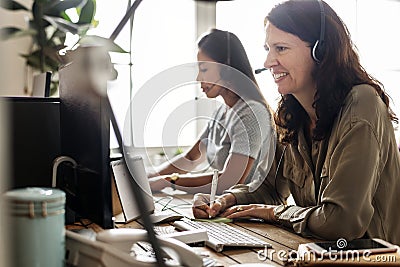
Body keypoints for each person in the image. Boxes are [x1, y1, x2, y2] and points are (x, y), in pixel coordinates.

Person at [193, 0, 400, 245]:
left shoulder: (362, 104)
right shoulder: (291, 115)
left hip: (374, 259)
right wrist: (225, 200)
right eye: (267, 49)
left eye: (281, 48)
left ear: (320, 51)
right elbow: (269, 189)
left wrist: (274, 214)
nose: (268, 61)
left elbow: (342, 221)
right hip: (318, 255)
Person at [149, 29, 276, 194]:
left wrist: (169, 182)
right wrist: (149, 175)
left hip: (251, 213)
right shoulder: (222, 112)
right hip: (223, 207)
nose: (198, 79)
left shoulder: (251, 113)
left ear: (227, 67)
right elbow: (190, 158)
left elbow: (230, 181)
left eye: (204, 69)